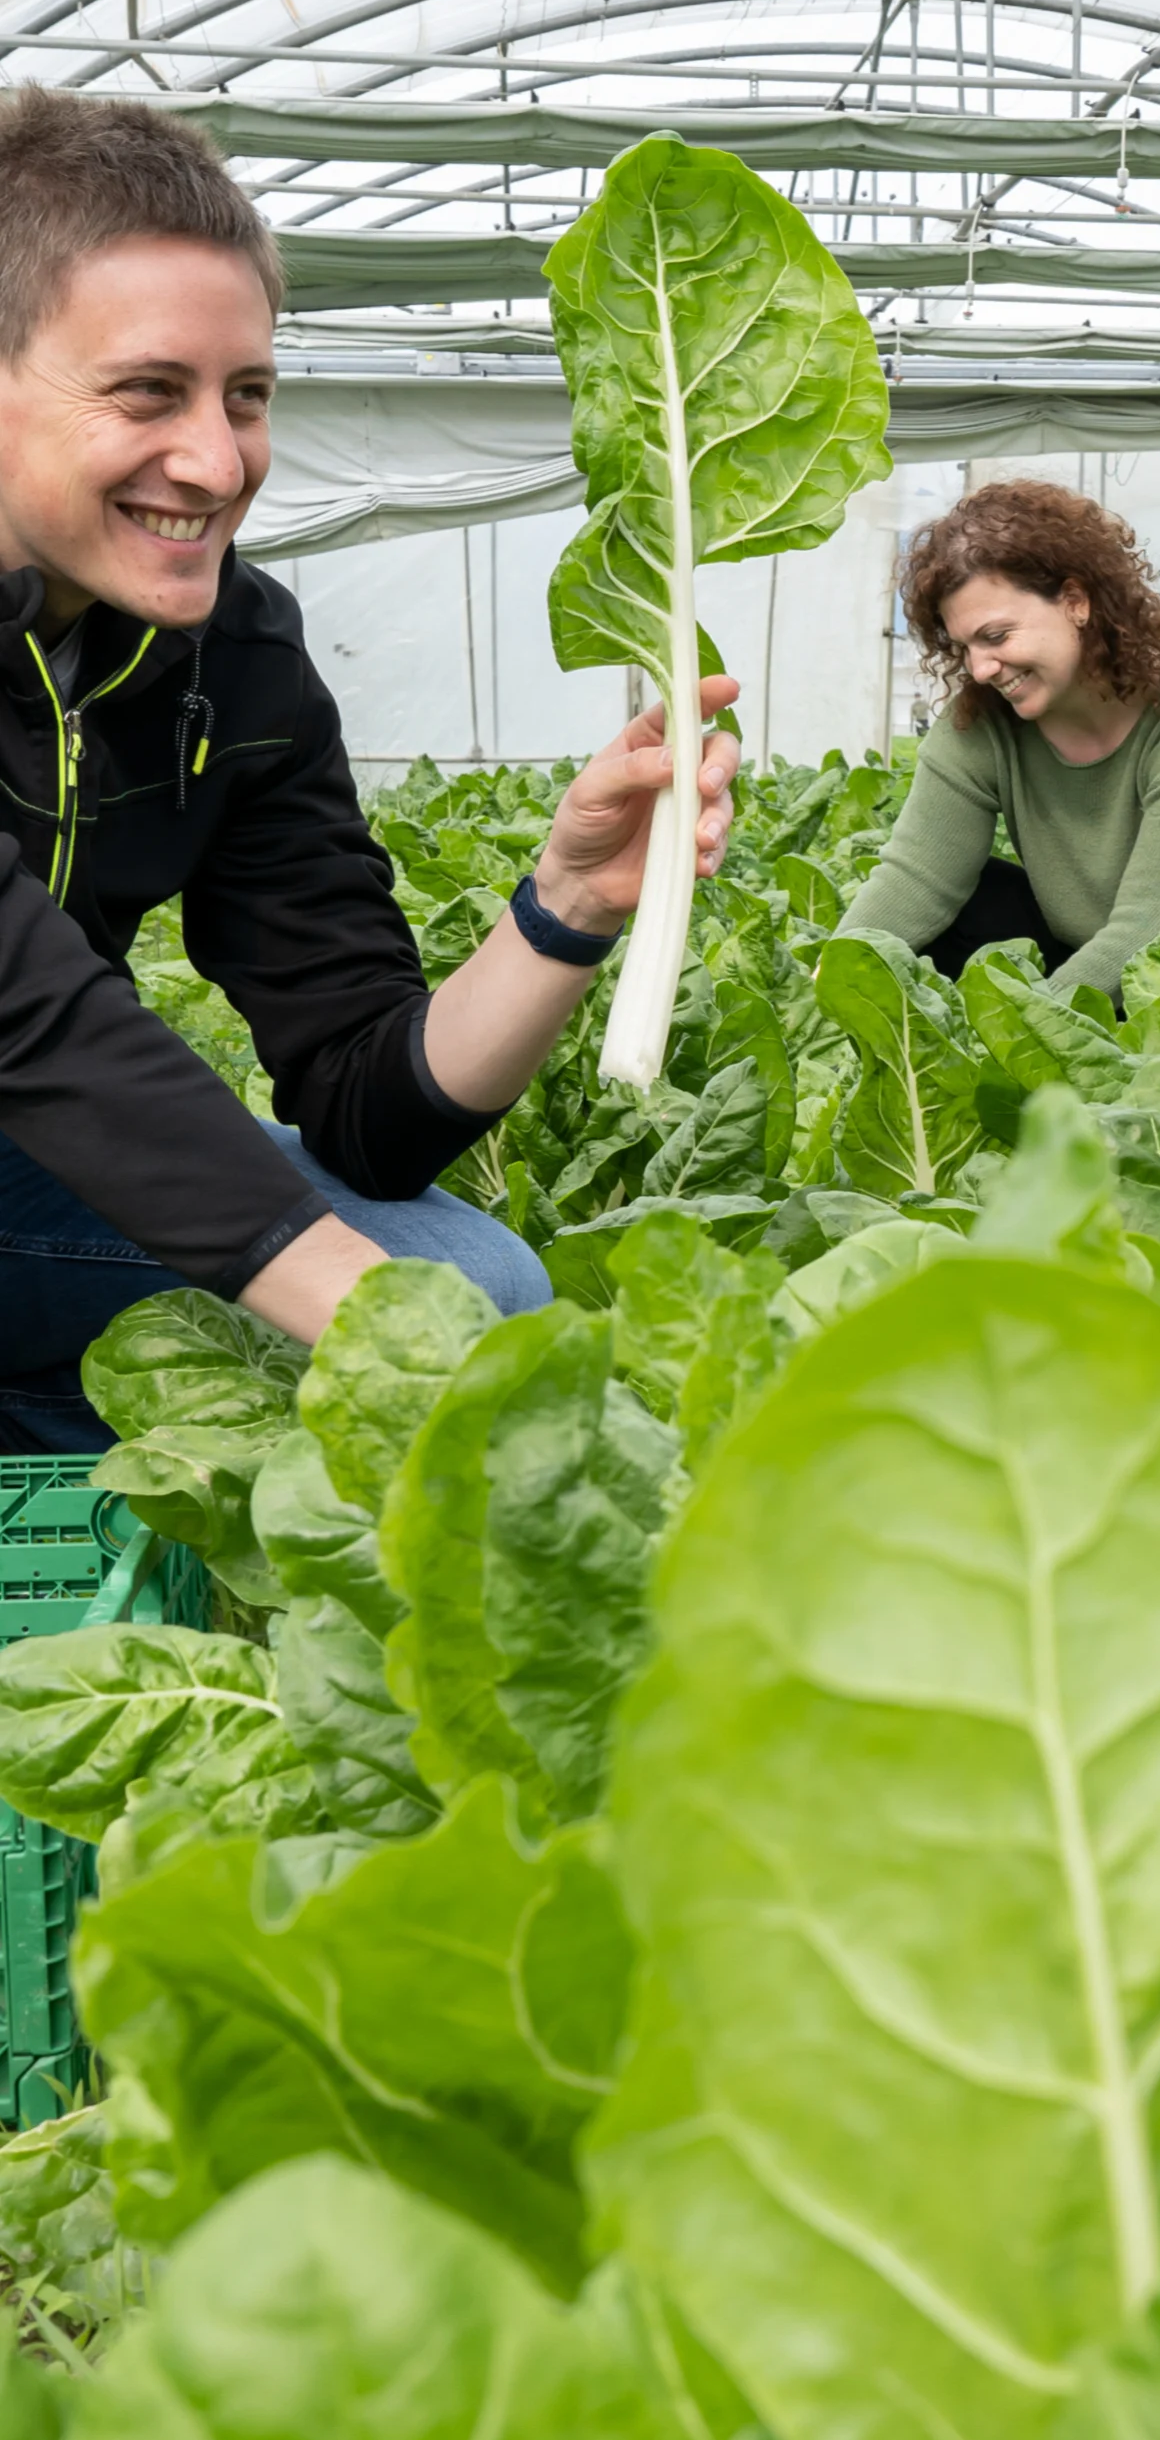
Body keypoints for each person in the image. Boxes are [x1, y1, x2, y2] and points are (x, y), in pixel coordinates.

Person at [0, 87, 740, 1452]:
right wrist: (386, 1331)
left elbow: (362, 1103)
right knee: (408, 1310)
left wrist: (569, 901)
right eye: (147, 392)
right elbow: (28, 1015)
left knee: (479, 1281)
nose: (217, 462)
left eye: (249, 396)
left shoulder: (236, 653)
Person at [838, 478, 1160, 999]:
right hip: (1075, 945)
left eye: (996, 637)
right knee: (954, 912)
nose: (979, 670)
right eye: (964, 647)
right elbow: (915, 879)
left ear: (1075, 601)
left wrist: (1033, 1035)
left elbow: (1146, 933)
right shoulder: (983, 721)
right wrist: (821, 988)